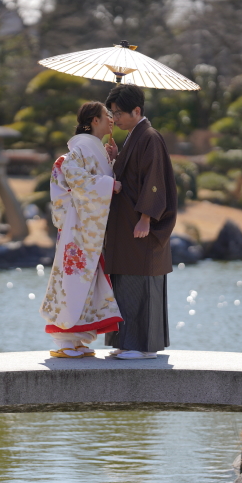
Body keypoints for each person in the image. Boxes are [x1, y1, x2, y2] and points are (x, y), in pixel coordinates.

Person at [39, 101, 124, 358]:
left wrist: (113, 159)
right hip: (79, 226)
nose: (111, 119)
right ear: (94, 121)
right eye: (106, 115)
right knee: (74, 279)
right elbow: (69, 170)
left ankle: (76, 339)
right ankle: (65, 340)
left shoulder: (93, 146)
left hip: (86, 225)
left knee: (87, 280)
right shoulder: (83, 145)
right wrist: (109, 183)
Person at [103, 84, 177, 360]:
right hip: (127, 225)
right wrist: (115, 158)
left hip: (139, 225)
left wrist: (146, 217)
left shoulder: (150, 137)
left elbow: (154, 181)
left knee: (140, 281)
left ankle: (141, 346)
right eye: (112, 113)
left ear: (137, 110)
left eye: (119, 113)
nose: (115, 119)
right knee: (125, 282)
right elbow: (133, 176)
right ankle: (129, 343)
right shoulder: (135, 136)